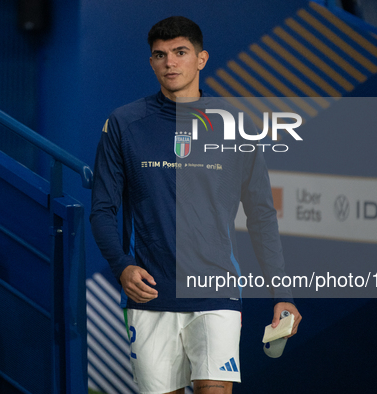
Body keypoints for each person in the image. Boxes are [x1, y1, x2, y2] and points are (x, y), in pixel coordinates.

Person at [90, 16, 302, 394]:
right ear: (151, 62)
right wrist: (122, 267)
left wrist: (281, 293)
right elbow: (102, 209)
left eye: (180, 52)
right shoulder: (124, 123)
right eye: (160, 55)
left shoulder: (235, 124)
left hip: (215, 289)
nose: (170, 63)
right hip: (151, 293)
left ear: (201, 59)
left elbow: (261, 214)